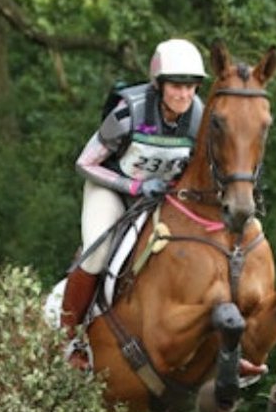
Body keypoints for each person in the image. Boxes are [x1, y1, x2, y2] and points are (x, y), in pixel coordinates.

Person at [59, 38, 208, 366]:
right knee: (98, 253)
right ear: (159, 84)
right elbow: (84, 163)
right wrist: (135, 185)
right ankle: (68, 337)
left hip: (162, 199)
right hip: (112, 190)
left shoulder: (199, 119)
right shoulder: (130, 111)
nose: (184, 95)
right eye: (176, 87)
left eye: (191, 87)